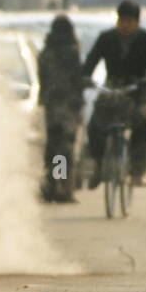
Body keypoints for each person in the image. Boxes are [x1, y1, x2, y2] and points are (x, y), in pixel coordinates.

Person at [83, 0, 146, 187]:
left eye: (129, 21)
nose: (124, 25)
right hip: (112, 87)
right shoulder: (106, 38)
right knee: (95, 125)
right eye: (121, 21)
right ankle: (98, 164)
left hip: (137, 89)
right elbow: (91, 60)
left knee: (141, 125)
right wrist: (85, 77)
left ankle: (137, 171)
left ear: (137, 22)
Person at [37, 15, 86, 202]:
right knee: (64, 150)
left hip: (51, 106)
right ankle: (63, 188)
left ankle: (51, 186)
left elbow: (43, 79)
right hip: (68, 106)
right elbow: (77, 79)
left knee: (53, 148)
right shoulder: (71, 52)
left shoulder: (45, 53)